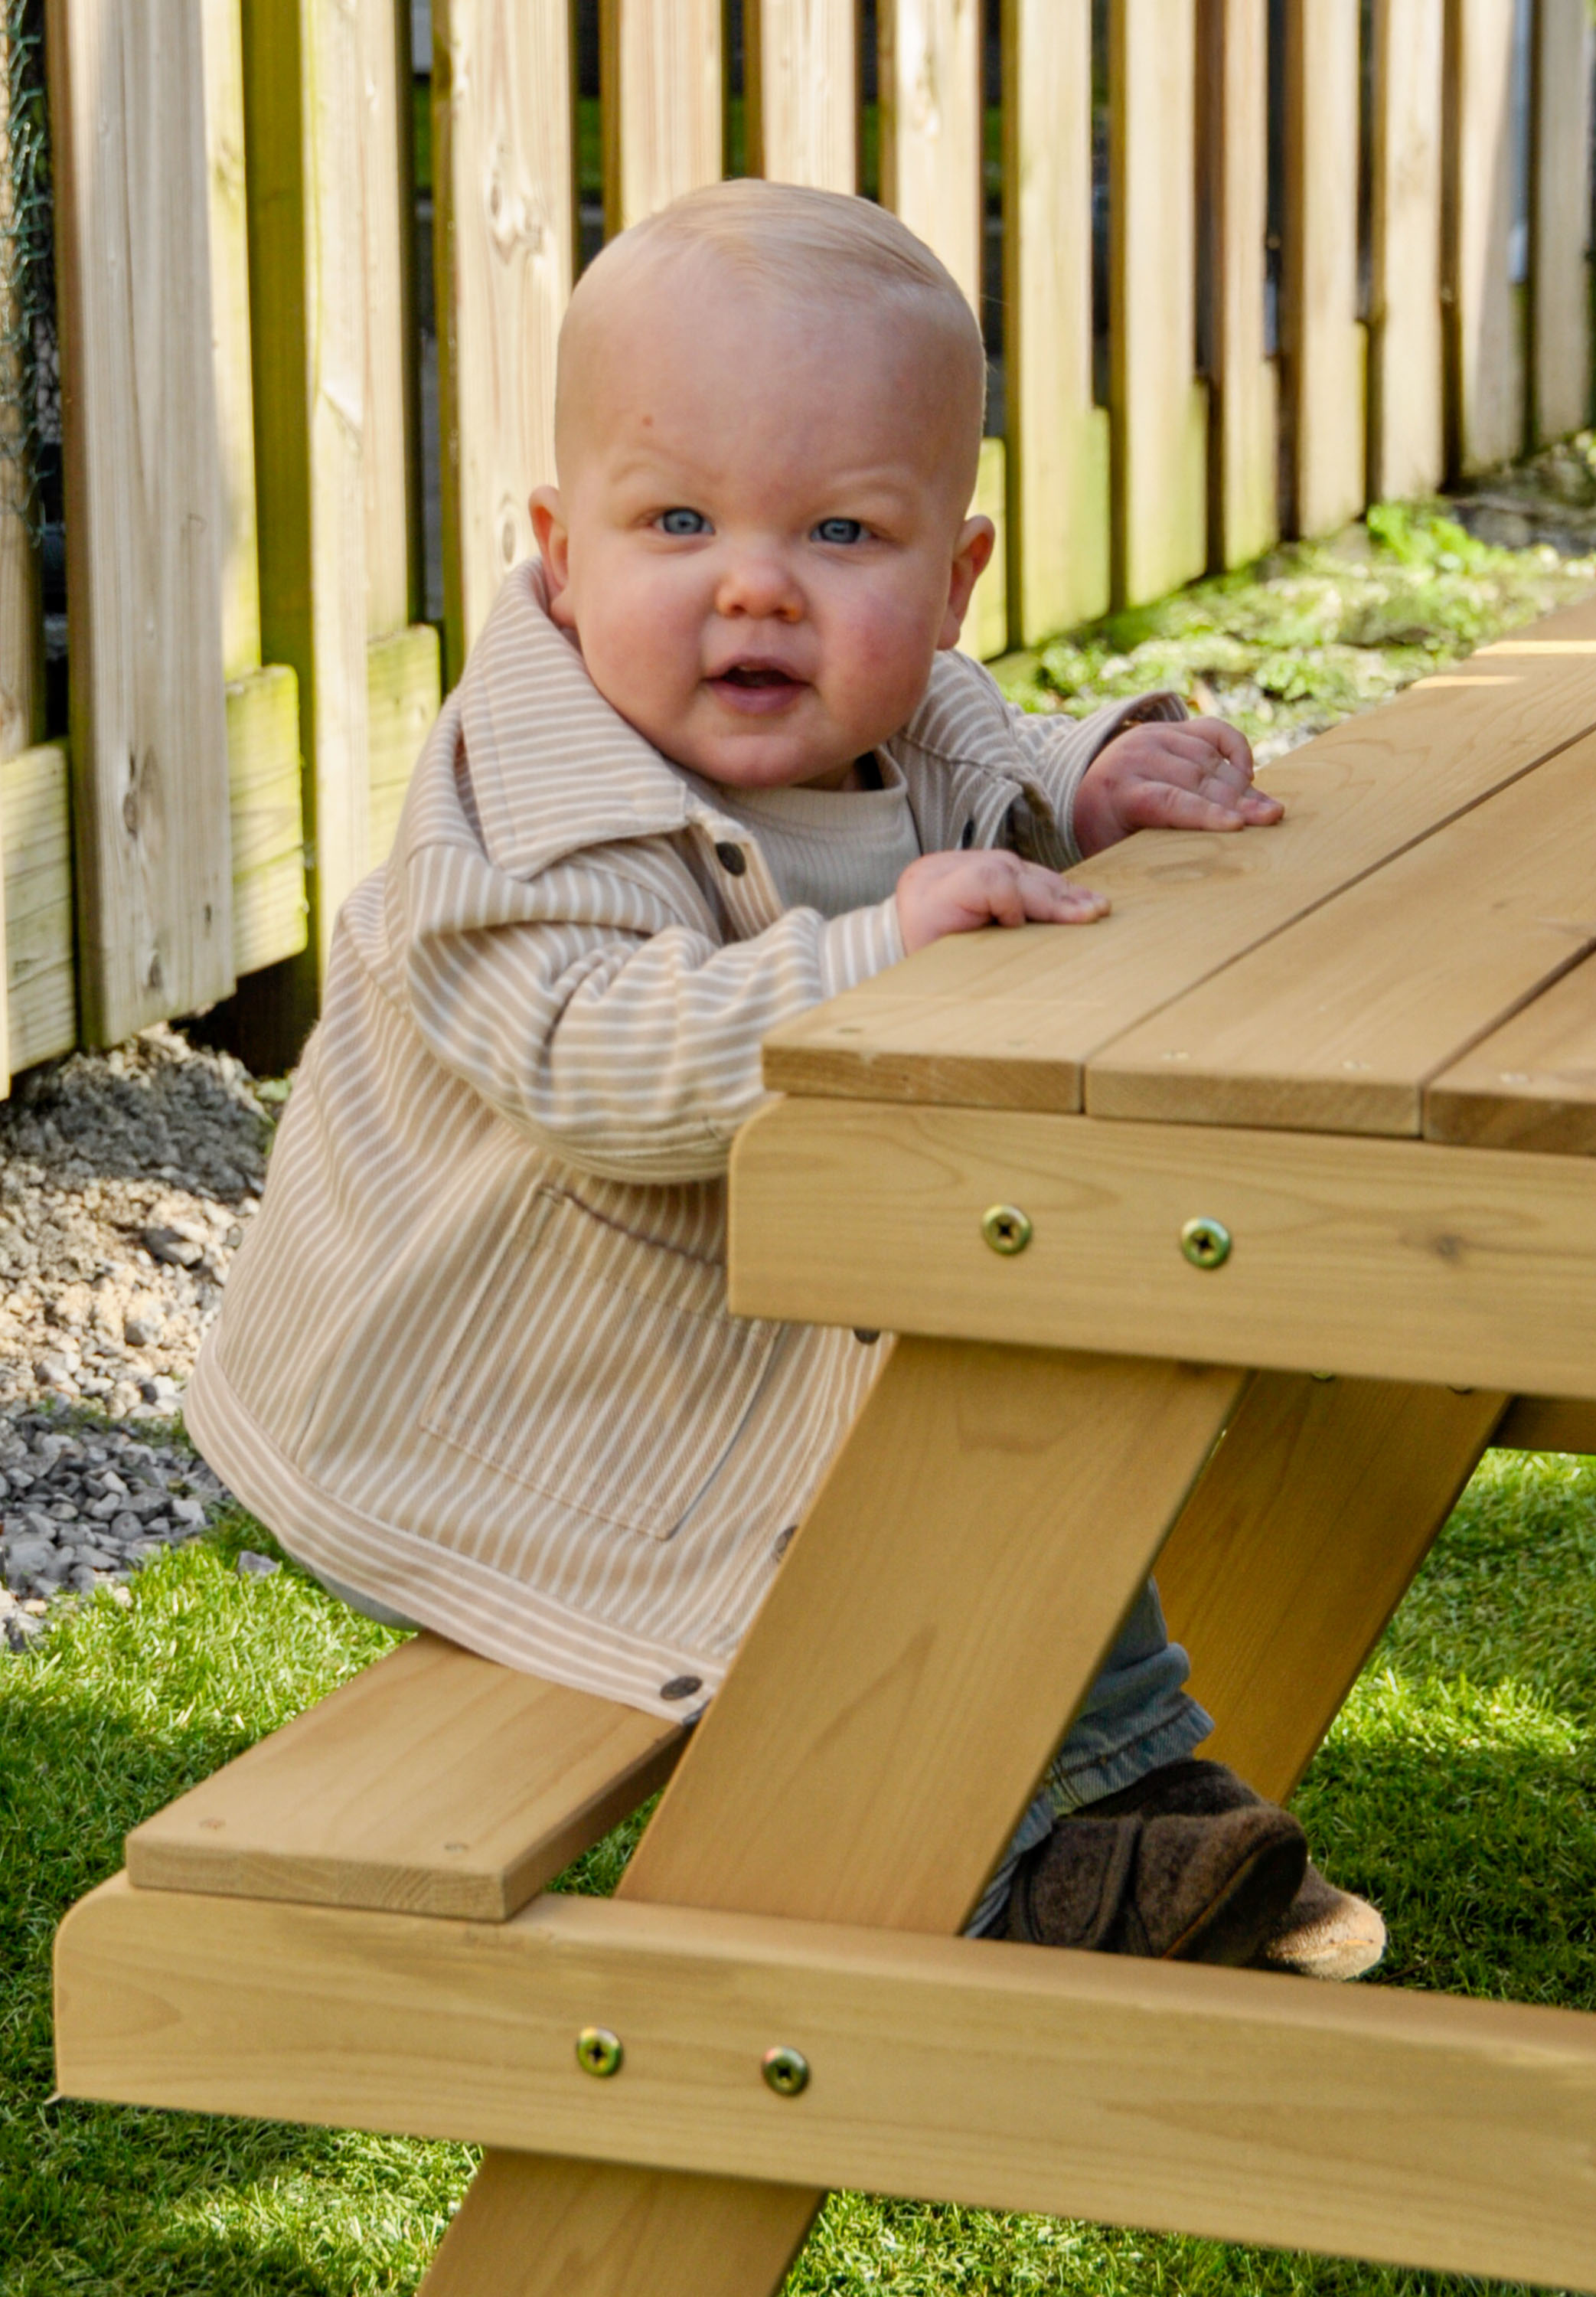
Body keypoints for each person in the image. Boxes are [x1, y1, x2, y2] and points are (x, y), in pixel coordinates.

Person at [186, 178, 1382, 1979]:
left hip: (728, 1316)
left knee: (1016, 1343)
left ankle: (1127, 1799)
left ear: (952, 574)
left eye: (839, 532)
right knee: (955, 1397)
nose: (755, 582)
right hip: (509, 1400)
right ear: (562, 549)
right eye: (678, 520)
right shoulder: (528, 797)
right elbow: (589, 1058)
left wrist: (1087, 786)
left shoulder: (887, 707)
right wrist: (868, 958)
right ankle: (990, 1857)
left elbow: (962, 762)